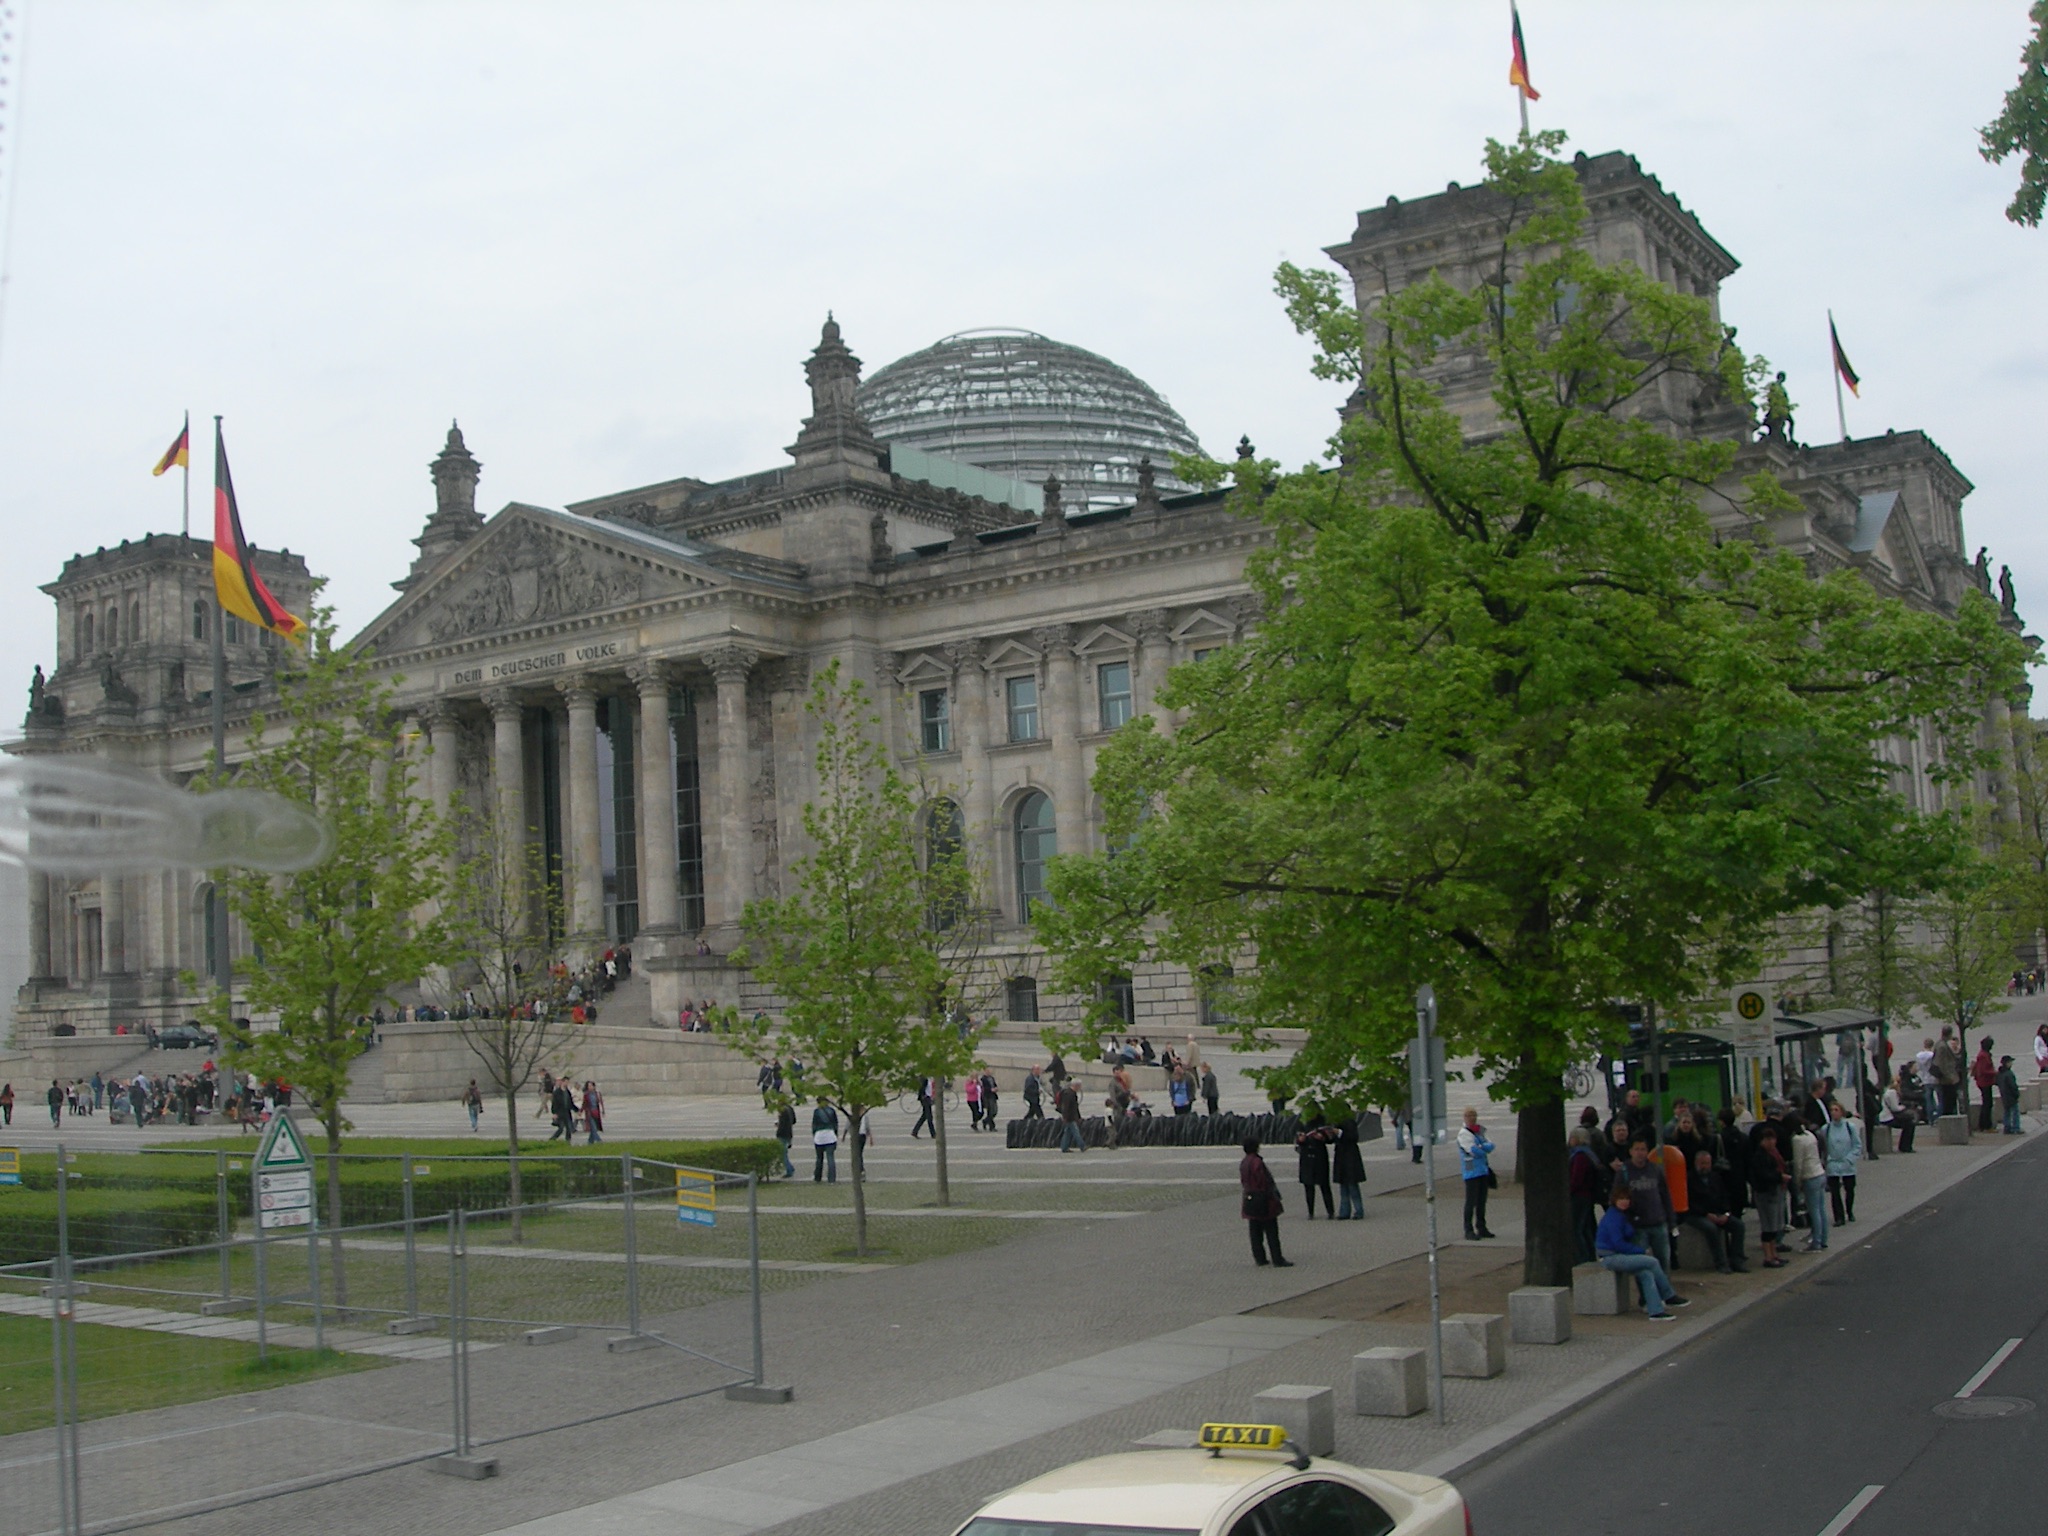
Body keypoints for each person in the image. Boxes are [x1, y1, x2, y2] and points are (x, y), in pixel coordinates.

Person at [1594, 1187, 1685, 1320]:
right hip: (1610, 1257)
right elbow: (1618, 1243)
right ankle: (1668, 1295)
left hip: (1619, 1255)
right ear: (1614, 1200)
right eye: (1621, 1199)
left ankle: (1655, 1310)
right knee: (1652, 1261)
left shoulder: (1622, 1215)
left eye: (1627, 1199)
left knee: (1646, 1273)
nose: (1624, 1202)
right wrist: (1641, 1251)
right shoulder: (1613, 1217)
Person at [1683, 1147, 1747, 1273]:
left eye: (1707, 1163)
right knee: (1711, 1228)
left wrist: (1726, 1213)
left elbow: (1724, 1196)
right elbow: (1689, 1202)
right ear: (1696, 1163)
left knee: (1739, 1226)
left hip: (1717, 1212)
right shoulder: (1688, 1179)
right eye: (1702, 1163)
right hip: (1696, 1214)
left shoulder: (1715, 1177)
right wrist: (1706, 1214)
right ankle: (1721, 1262)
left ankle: (1737, 1260)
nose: (1705, 1167)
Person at [1621, 1138, 1674, 1273]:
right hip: (1638, 1227)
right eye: (1637, 1149)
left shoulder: (1655, 1169)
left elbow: (1665, 1195)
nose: (1640, 1153)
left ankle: (1663, 1286)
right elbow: (1617, 1197)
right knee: (1641, 1265)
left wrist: (1671, 1220)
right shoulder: (1624, 1171)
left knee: (1663, 1261)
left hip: (1658, 1223)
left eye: (1643, 1149)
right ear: (1631, 1151)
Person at [1238, 1138, 1292, 1268]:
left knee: (1255, 1231)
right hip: (1263, 1199)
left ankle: (1259, 1258)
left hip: (1249, 1197)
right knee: (1271, 1230)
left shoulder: (1244, 1162)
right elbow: (1264, 1181)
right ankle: (1277, 1259)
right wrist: (1272, 1196)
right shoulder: (1257, 1162)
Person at [1747, 1124, 1788, 1268]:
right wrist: (1779, 1177)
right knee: (1768, 1226)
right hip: (1765, 1193)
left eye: (1773, 1139)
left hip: (1773, 1192)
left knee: (1774, 1226)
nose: (1772, 1142)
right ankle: (1768, 1257)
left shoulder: (1771, 1153)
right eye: (1768, 1139)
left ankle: (1774, 1254)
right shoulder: (1760, 1156)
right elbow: (1763, 1175)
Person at [1790, 1110, 1827, 1251]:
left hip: (1809, 1175)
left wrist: (1797, 1181)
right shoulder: (1810, 1135)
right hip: (1819, 1173)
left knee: (1813, 1210)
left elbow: (1798, 1163)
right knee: (1821, 1209)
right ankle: (1823, 1238)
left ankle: (1816, 1241)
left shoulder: (1797, 1140)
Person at [1457, 1107, 1496, 1241]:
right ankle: (1468, 1229)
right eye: (1469, 1116)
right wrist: (1482, 1148)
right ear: (1464, 1118)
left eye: (1474, 1115)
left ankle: (1481, 1227)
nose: (1472, 1118)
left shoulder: (1479, 1131)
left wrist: (1482, 1148)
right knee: (1471, 1201)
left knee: (1481, 1200)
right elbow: (1473, 1151)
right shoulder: (1464, 1134)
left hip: (1483, 1169)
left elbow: (1491, 1145)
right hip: (1471, 1170)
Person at [1568, 1127, 1604, 1264]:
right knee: (1586, 1227)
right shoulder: (1590, 1154)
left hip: (1579, 1196)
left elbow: (1577, 1179)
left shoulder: (1580, 1156)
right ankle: (1590, 1254)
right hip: (1587, 1195)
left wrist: (1569, 1190)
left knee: (1577, 1228)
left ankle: (1582, 1257)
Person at [1822, 1101, 1861, 1224]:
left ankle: (1849, 1210)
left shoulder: (1850, 1127)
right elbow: (1823, 1146)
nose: (1834, 1113)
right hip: (1833, 1163)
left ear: (1842, 1112)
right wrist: (1826, 1160)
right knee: (1834, 1192)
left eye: (1836, 1110)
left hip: (1847, 1163)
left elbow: (1857, 1145)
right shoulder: (1826, 1128)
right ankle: (1839, 1217)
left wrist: (1850, 1159)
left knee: (1849, 1189)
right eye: (1832, 1110)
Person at [1295, 1114, 1335, 1219]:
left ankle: (1330, 1211)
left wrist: (1322, 1137)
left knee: (1324, 1185)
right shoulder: (1302, 1122)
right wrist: (1300, 1140)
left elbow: (1330, 1138)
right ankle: (1310, 1212)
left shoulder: (1322, 1122)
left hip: (1319, 1157)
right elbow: (1297, 1140)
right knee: (1308, 1186)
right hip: (1306, 1158)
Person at [1332, 1116, 1366, 1220]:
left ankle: (1358, 1210)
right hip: (1341, 1156)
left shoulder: (1350, 1122)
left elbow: (1353, 1137)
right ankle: (1344, 1211)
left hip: (1350, 1156)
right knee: (1343, 1187)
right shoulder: (1336, 1121)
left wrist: (1340, 1133)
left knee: (1352, 1186)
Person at [1882, 1070, 1916, 1153]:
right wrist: (1904, 1107)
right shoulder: (1892, 1092)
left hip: (1885, 1117)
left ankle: (1904, 1146)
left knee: (1908, 1123)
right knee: (1910, 1124)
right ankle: (1905, 1146)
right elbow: (1895, 1108)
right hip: (1888, 1118)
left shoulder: (1887, 1091)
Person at [1932, 1028, 1962, 1120]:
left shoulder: (1940, 1044)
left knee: (1948, 1101)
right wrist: (1949, 1077)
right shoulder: (1942, 1046)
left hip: (1946, 1078)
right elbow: (1941, 1063)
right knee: (1949, 1101)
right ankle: (1947, 1120)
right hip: (1946, 1080)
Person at [1973, 1036, 1999, 1133]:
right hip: (1984, 1082)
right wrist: (1995, 1073)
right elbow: (1983, 1070)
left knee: (1987, 1103)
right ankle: (1986, 1126)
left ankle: (1983, 1125)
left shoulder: (1984, 1054)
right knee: (1987, 1104)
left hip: (1985, 1082)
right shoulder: (1983, 1056)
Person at [810, 1100, 840, 1183]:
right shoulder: (832, 1111)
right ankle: (831, 1178)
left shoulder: (816, 1111)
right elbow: (835, 1124)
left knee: (819, 1158)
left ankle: (817, 1177)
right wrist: (836, 1134)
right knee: (830, 1158)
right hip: (830, 1135)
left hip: (819, 1136)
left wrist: (814, 1134)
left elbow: (814, 1124)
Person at [1055, 1078, 1085, 1153]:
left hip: (1070, 1116)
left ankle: (1064, 1147)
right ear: (1076, 1085)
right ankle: (1082, 1146)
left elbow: (1075, 1107)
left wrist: (1078, 1116)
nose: (1080, 1088)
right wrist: (1065, 1117)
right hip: (1069, 1117)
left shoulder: (1071, 1093)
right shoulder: (1069, 1094)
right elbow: (1066, 1106)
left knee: (1068, 1132)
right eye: (1080, 1086)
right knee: (1076, 1132)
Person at [1998, 1055, 2023, 1135]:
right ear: (2007, 1063)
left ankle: (2007, 1127)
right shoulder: (2009, 1074)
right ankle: (2016, 1128)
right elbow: (2013, 1086)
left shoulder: (2000, 1073)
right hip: (2011, 1096)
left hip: (2004, 1096)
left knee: (2007, 1112)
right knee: (2015, 1112)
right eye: (2010, 1062)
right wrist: (2017, 1094)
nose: (2011, 1064)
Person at [774, 1101, 796, 1178]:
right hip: (789, 1133)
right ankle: (790, 1168)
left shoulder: (783, 1110)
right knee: (784, 1152)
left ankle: (789, 1170)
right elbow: (794, 1121)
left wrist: (779, 1129)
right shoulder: (790, 1108)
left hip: (783, 1134)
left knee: (783, 1154)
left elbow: (782, 1124)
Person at [582, 1080, 604, 1145]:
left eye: (591, 1086)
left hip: (596, 1112)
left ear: (594, 1086)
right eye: (588, 1086)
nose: (590, 1087)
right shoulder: (586, 1095)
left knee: (593, 1128)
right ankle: (599, 1140)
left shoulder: (597, 1094)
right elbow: (584, 1104)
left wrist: (603, 1110)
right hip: (589, 1113)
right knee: (593, 1127)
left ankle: (590, 1142)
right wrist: (581, 1111)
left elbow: (601, 1102)